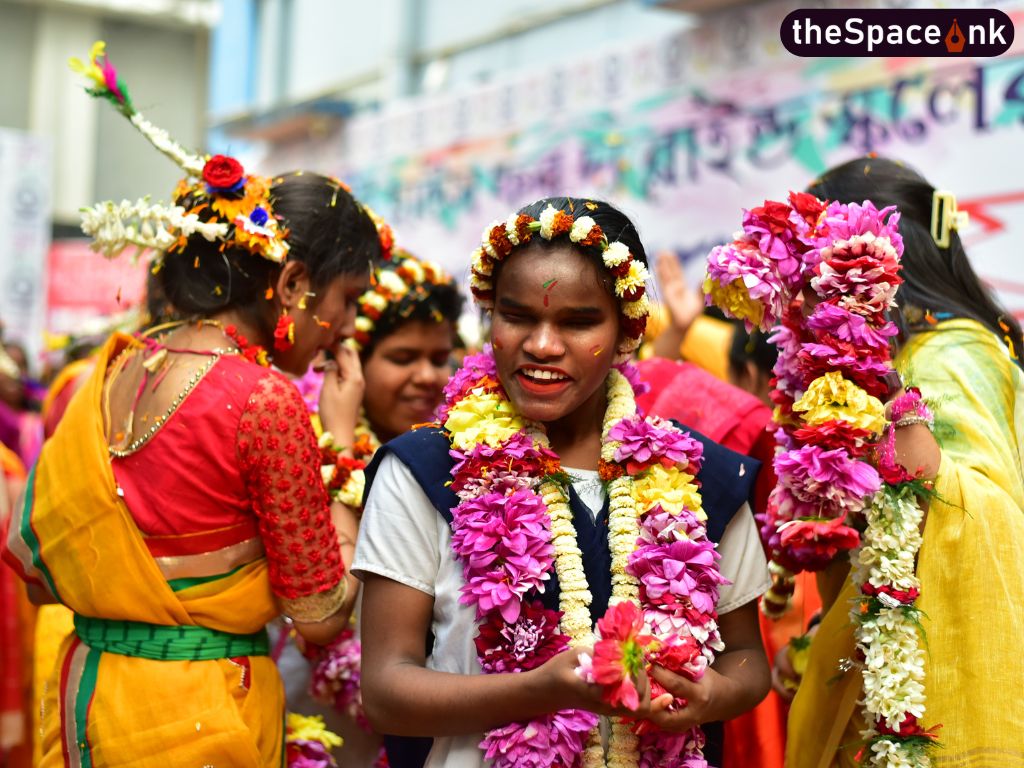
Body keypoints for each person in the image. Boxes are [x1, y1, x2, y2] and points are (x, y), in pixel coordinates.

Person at [3, 41, 381, 767]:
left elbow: (41, 557)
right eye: (347, 301)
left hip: (94, 698)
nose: (349, 326)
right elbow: (322, 613)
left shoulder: (114, 367)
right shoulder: (264, 399)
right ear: (295, 284)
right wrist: (339, 448)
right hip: (197, 717)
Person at [353, 197, 771, 768]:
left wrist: (713, 695)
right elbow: (385, 691)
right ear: (490, 318)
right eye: (517, 315)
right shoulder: (423, 471)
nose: (543, 345)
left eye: (578, 322)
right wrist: (540, 690)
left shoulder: (703, 476)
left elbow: (747, 658)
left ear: (628, 331)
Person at [781, 157, 1024, 767]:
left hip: (939, 686)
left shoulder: (950, 356)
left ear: (872, 266)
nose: (807, 290)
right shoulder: (911, 358)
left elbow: (990, 513)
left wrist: (899, 409)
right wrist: (824, 647)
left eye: (821, 267)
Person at [277, 248, 464, 766]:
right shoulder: (301, 445)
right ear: (351, 361)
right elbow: (322, 615)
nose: (428, 376)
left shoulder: (467, 453)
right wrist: (337, 447)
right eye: (404, 358)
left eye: (440, 357)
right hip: (320, 719)